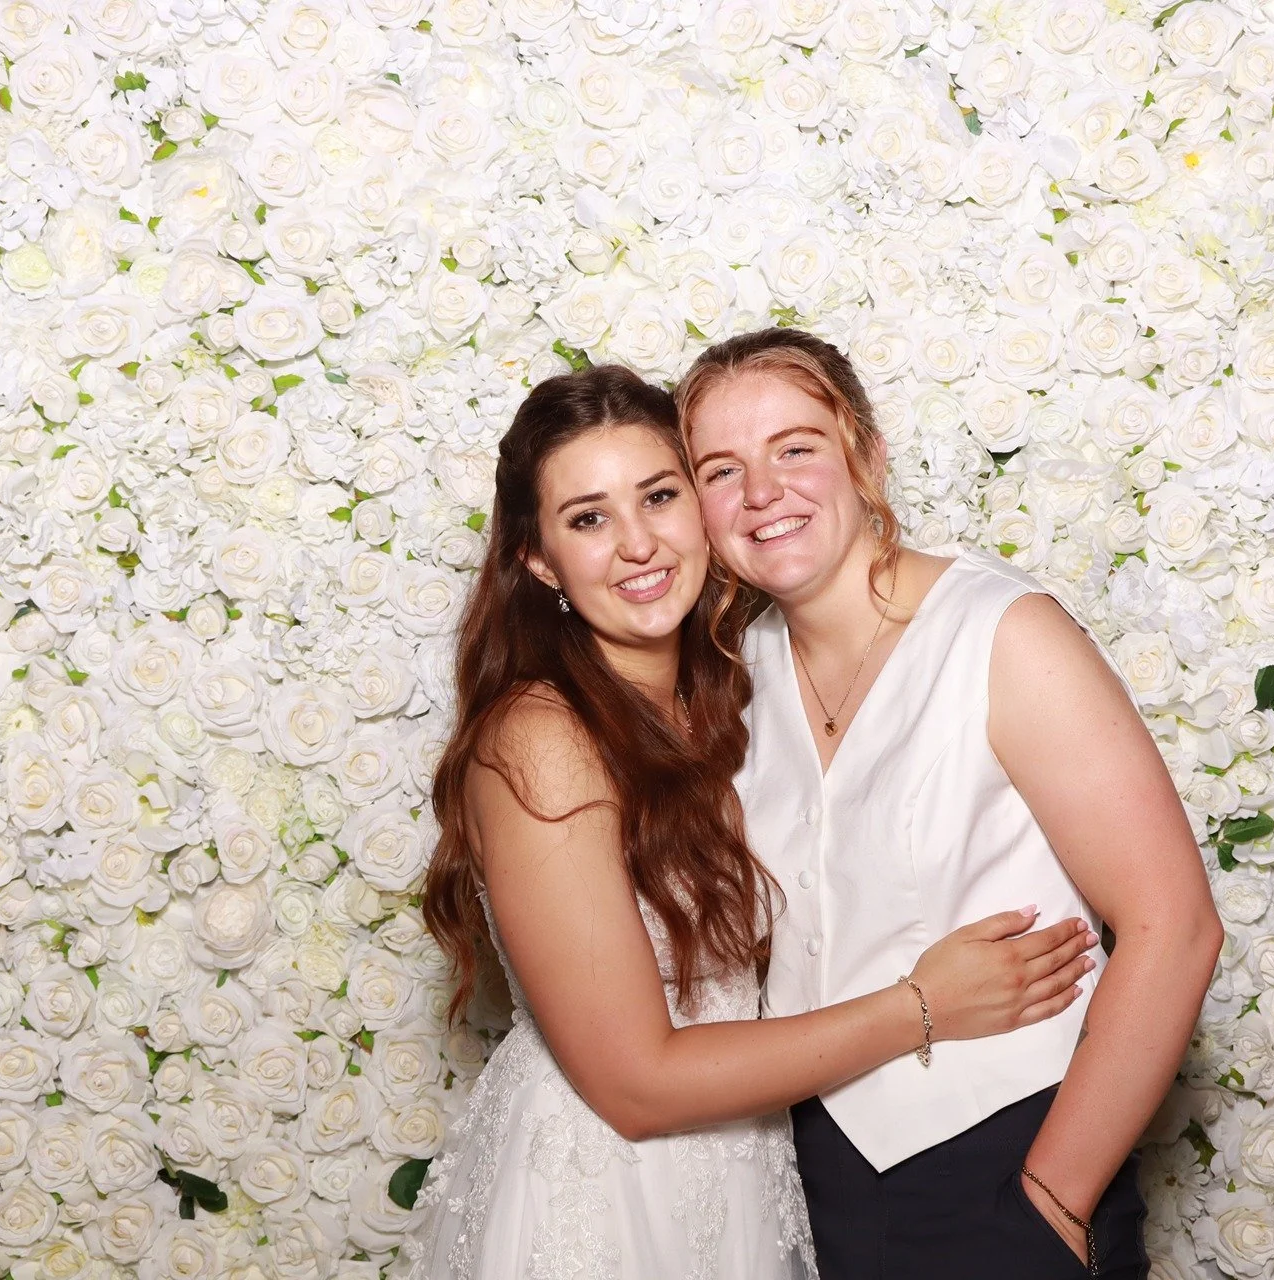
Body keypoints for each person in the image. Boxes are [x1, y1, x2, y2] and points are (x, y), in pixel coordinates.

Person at [410, 364, 1102, 1279]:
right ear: (539, 561)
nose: (636, 545)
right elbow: (634, 1084)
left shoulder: (733, 692)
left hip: (746, 1171)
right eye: (588, 519)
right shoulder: (543, 737)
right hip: (613, 1192)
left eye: (660, 496)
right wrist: (924, 1006)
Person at [678, 328, 1224, 1280]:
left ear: (866, 452)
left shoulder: (1003, 632)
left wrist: (1051, 1200)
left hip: (1008, 1156)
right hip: (808, 1180)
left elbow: (1174, 926)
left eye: (795, 448)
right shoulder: (732, 679)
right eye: (721, 469)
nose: (762, 492)